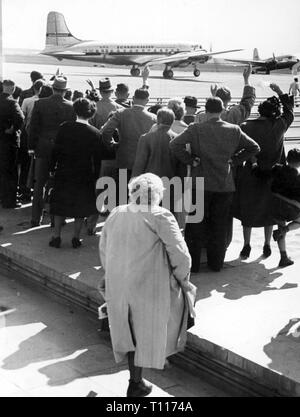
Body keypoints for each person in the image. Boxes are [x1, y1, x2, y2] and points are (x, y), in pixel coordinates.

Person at [99, 173, 195, 397]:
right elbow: (182, 257)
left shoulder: (116, 213)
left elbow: (104, 249)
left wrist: (113, 274)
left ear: (133, 192)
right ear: (158, 195)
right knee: (180, 305)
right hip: (149, 287)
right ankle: (152, 365)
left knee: (132, 333)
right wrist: (182, 280)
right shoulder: (160, 215)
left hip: (119, 285)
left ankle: (136, 380)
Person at [170, 97, 260, 272]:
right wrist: (234, 161)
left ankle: (194, 265)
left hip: (200, 183)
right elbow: (254, 147)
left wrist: (190, 160)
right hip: (224, 184)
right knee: (219, 226)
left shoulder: (196, 128)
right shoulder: (234, 130)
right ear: (221, 111)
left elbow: (175, 144)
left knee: (196, 225)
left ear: (206, 110)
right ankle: (216, 264)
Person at [234, 84, 294, 259]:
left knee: (248, 209)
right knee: (271, 211)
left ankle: (246, 245)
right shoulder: (280, 125)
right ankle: (267, 245)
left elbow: (239, 149)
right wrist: (280, 92)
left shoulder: (246, 126)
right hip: (274, 175)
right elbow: (289, 110)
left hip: (251, 173)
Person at [48, 98, 101, 248]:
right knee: (80, 207)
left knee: (60, 204)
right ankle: (76, 238)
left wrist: (52, 168)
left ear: (75, 110)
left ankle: (56, 236)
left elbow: (55, 150)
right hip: (84, 174)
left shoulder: (64, 127)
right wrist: (96, 176)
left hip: (64, 170)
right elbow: (97, 160)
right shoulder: (95, 133)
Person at [28, 76, 76, 227]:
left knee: (39, 184)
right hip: (62, 150)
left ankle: (35, 218)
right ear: (64, 91)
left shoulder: (40, 103)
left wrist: (31, 147)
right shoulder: (71, 106)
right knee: (59, 184)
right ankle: (57, 219)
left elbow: (33, 128)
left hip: (43, 148)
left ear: (53, 88)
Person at [102, 88, 157, 187]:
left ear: (133, 98)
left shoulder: (120, 113)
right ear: (147, 101)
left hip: (124, 159)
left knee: (122, 194)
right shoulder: (153, 118)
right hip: (144, 163)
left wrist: (112, 144)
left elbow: (106, 131)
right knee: (141, 196)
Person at [271, 148, 300, 267]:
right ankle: (284, 230)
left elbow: (262, 172)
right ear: (299, 163)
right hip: (289, 208)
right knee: (297, 222)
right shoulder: (297, 178)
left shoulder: (277, 169)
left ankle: (283, 257)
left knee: (280, 223)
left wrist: (254, 164)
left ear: (287, 159)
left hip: (273, 205)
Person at [18, 79, 46, 203]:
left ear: (34, 88)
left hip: (28, 136)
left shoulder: (27, 101)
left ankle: (25, 191)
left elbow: (23, 120)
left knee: (26, 166)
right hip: (41, 138)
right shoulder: (44, 103)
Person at [132, 108, 176, 180]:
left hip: (150, 181)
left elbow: (140, 163)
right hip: (172, 180)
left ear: (157, 120)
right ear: (172, 121)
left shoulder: (145, 138)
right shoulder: (177, 138)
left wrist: (133, 180)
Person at [0, 80, 24, 209]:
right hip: (8, 141)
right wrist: (13, 129)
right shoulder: (12, 102)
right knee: (10, 172)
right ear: (12, 89)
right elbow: (20, 118)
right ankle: (9, 201)